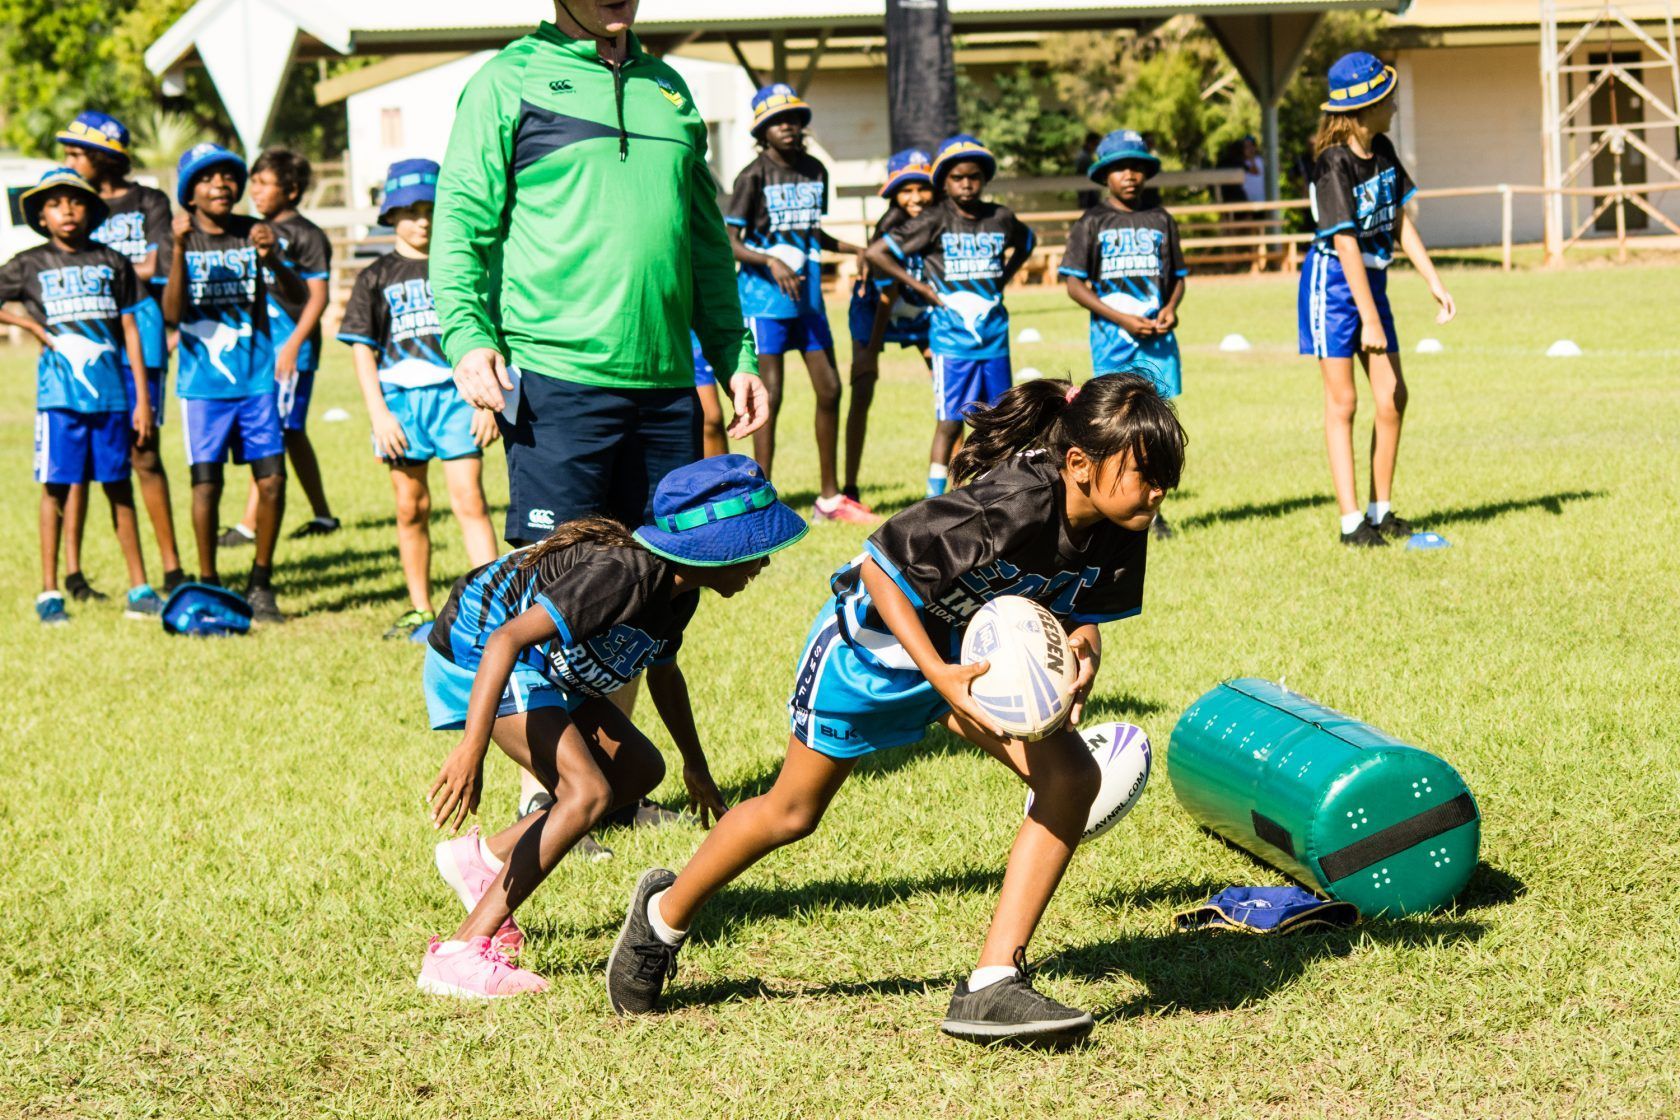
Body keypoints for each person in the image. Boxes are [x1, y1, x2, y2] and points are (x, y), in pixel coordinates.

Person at [605, 374, 1186, 1047]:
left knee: (1072, 779)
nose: (1158, 491)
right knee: (791, 813)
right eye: (1146, 474)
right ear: (1080, 466)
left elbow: (1082, 616)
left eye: (1164, 475)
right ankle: (662, 918)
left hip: (968, 662)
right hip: (872, 652)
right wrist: (937, 673)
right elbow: (880, 565)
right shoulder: (1014, 501)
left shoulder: (1122, 521)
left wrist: (1081, 659)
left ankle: (993, 983)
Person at [417, 455, 808, 998]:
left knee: (638, 771)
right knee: (588, 793)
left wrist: (695, 765)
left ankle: (480, 859)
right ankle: (459, 954)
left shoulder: (679, 594)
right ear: (711, 546)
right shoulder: (622, 575)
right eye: (753, 546)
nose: (763, 561)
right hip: (478, 653)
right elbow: (506, 639)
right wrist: (471, 748)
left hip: (545, 668)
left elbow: (664, 673)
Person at [435, 0, 768, 552]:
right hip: (555, 380)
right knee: (564, 582)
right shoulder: (506, 79)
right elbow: (460, 225)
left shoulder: (671, 89)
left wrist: (734, 355)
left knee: (663, 581)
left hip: (667, 383)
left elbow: (706, 243)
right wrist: (468, 337)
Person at [338, 160, 500, 640]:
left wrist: (484, 402)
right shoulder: (375, 276)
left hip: (457, 398)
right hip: (399, 407)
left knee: (470, 499)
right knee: (411, 506)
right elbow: (363, 352)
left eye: (430, 208)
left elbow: (487, 336)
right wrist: (379, 414)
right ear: (389, 215)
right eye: (408, 210)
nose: (422, 220)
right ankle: (419, 609)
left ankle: (495, 608)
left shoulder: (465, 266)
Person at [1299, 52, 1456, 547]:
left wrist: (1432, 279)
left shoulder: (1382, 149)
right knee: (1343, 401)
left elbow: (1402, 222)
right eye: (1386, 95)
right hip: (1334, 288)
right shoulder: (1333, 165)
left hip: (1374, 282)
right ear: (1365, 105)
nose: (1394, 102)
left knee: (1392, 396)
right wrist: (1368, 318)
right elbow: (1345, 244)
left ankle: (1380, 509)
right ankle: (1351, 524)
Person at [0, 168, 161, 623]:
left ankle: (140, 588)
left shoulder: (113, 261)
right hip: (60, 401)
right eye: (55, 204)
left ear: (91, 210)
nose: (66, 211)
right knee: (55, 490)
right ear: (41, 216)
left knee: (118, 488)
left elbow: (130, 326)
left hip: (113, 398)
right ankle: (50, 593)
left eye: (75, 202)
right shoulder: (28, 264)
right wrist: (29, 325)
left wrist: (142, 399)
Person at [160, 143, 307, 620]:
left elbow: (299, 296)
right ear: (189, 193)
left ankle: (260, 583)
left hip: (256, 382)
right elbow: (173, 313)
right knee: (206, 485)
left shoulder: (254, 232)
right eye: (206, 178)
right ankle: (208, 582)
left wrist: (273, 258)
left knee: (272, 480)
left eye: (227, 176)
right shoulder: (176, 239)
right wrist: (180, 248)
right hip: (202, 389)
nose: (219, 185)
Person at [728, 83, 872, 523]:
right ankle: (761, 498)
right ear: (762, 131)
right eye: (776, 122)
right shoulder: (751, 176)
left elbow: (811, 233)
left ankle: (830, 499)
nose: (788, 127)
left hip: (808, 303)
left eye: (793, 119)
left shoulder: (814, 170)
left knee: (830, 388)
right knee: (769, 398)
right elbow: (729, 241)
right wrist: (769, 260)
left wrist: (855, 250)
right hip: (765, 304)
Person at [56, 110, 185, 597]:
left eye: (75, 154)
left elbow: (159, 262)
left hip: (142, 344)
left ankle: (172, 569)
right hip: (86, 346)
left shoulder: (148, 200)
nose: (68, 162)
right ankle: (71, 572)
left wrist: (102, 267)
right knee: (77, 459)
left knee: (144, 453)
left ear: (104, 155)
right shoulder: (73, 204)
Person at [864, 134, 1036, 500]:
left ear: (985, 178)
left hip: (993, 338)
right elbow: (877, 253)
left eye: (974, 176)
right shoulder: (934, 220)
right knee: (949, 421)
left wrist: (1004, 277)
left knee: (1001, 419)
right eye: (958, 178)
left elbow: (1028, 242)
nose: (967, 184)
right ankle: (934, 498)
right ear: (944, 181)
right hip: (951, 341)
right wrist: (923, 288)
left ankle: (1002, 492)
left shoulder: (1000, 217)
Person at [1060, 129, 1187, 539]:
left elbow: (1178, 279)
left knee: (1156, 427)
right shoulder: (1092, 221)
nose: (1129, 175)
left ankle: (1154, 509)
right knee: (1116, 428)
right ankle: (1114, 502)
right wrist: (1121, 319)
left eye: (1136, 166)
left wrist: (1170, 310)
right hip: (1112, 343)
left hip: (1156, 342)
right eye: (1119, 168)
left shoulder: (1161, 220)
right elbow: (1075, 285)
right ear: (1104, 175)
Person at [223, 149, 338, 547]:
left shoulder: (307, 235)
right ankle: (323, 515)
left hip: (291, 351)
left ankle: (249, 524)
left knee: (274, 430)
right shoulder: (254, 229)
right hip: (259, 351)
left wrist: (292, 346)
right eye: (252, 182)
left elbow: (317, 298)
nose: (254, 191)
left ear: (290, 190)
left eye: (264, 182)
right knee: (289, 432)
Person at [843, 148, 934, 505]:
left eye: (921, 188)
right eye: (905, 189)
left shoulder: (940, 220)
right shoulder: (889, 229)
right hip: (875, 311)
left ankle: (956, 481)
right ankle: (850, 490)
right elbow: (885, 296)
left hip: (918, 312)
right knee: (862, 389)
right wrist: (869, 353)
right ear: (893, 192)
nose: (915, 197)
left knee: (950, 397)